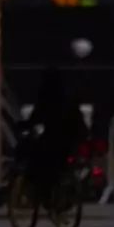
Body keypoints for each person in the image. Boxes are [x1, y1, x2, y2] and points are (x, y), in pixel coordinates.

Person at [26, 66, 87, 197]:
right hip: (72, 137)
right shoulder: (67, 94)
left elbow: (37, 114)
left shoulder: (47, 95)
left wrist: (26, 125)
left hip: (56, 137)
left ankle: (45, 190)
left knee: (39, 158)